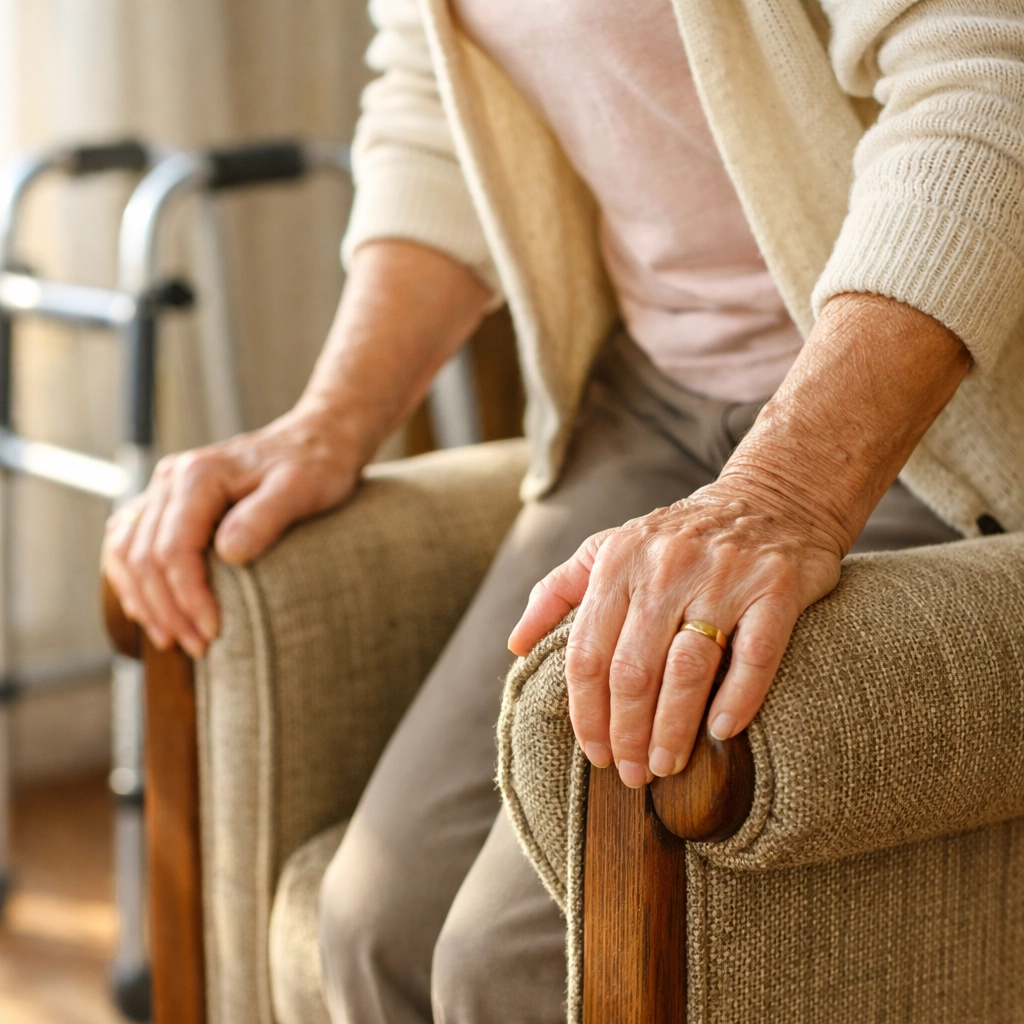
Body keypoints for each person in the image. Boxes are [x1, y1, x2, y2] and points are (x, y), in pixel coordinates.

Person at [103, 1, 1024, 1021]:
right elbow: (435, 97)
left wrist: (784, 492)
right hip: (647, 406)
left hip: (918, 421)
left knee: (514, 965)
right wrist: (328, 422)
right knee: (374, 924)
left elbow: (986, 72)